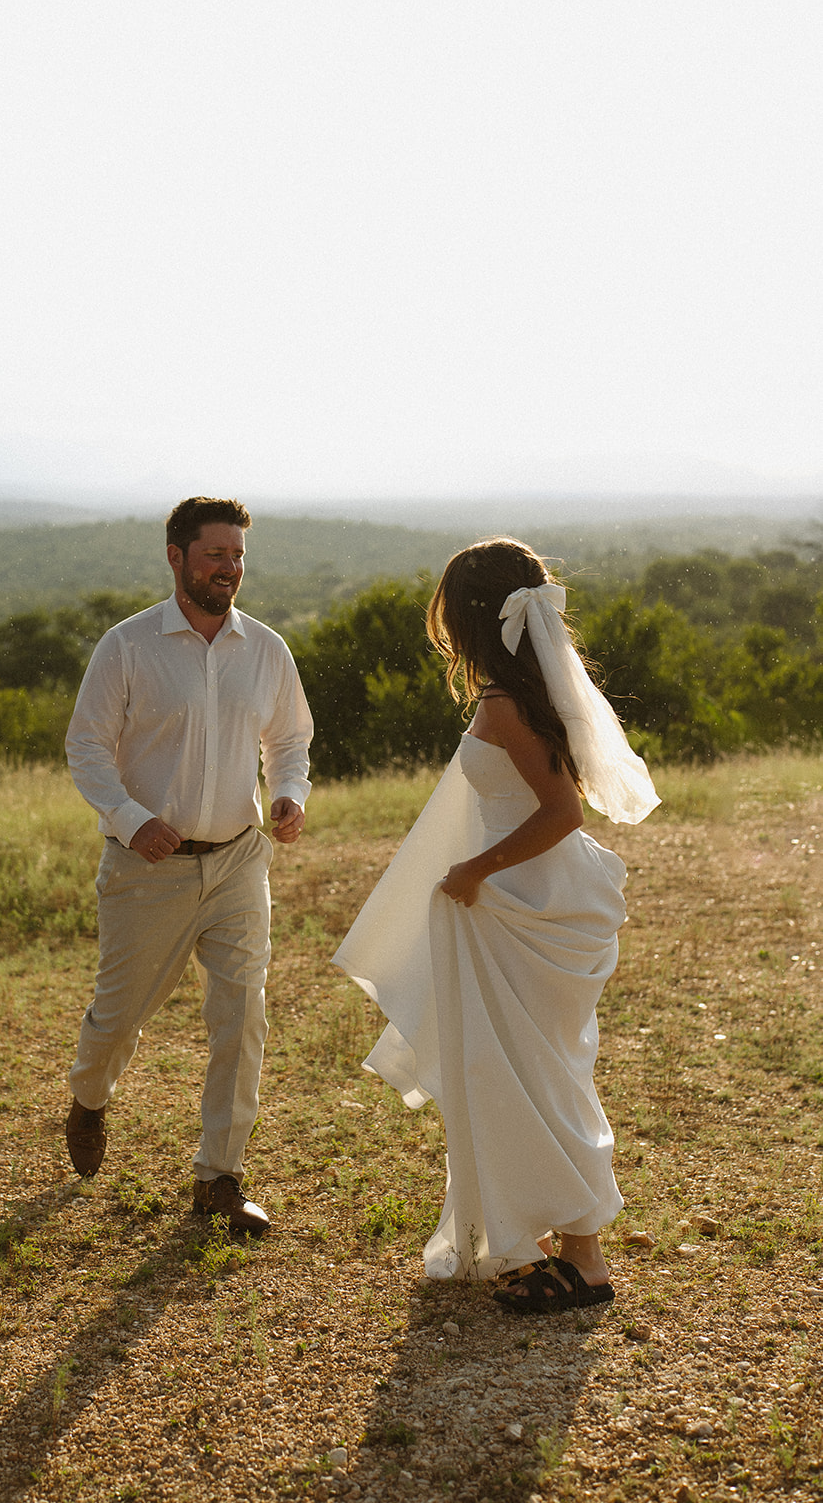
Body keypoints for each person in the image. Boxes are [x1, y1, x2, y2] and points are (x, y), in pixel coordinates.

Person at [334, 537, 659, 1311]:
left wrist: (472, 872)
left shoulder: (508, 703)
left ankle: (567, 1254)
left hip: (524, 906)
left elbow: (559, 811)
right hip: (534, 901)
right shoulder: (528, 691)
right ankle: (566, 1248)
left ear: (470, 616)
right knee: (536, 1073)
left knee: (528, 1075)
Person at [64, 496, 313, 1233]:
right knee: (118, 1019)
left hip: (238, 861)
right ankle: (87, 1099)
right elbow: (86, 747)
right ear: (175, 557)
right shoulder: (128, 646)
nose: (229, 569)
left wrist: (290, 793)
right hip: (147, 871)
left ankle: (219, 1179)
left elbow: (289, 738)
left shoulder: (265, 648)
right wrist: (132, 821)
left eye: (237, 556)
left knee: (242, 1017)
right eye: (214, 556)